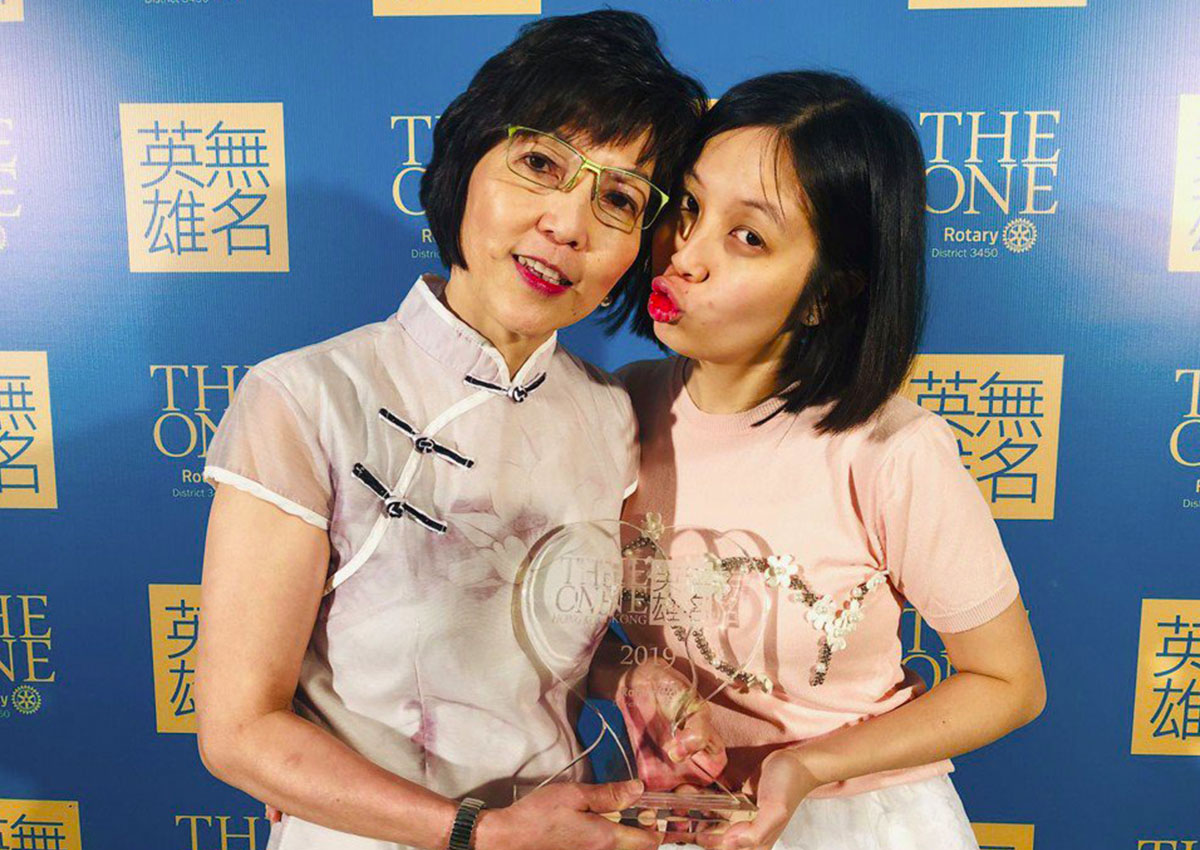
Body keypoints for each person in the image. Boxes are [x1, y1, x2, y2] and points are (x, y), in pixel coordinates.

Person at [195, 12, 707, 850]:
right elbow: (239, 731)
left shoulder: (609, 413)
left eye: (617, 199)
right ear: (466, 163)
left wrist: (633, 675)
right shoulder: (306, 397)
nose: (567, 225)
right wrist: (477, 832)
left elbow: (543, 636)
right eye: (539, 163)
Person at [598, 71, 1047, 850]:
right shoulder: (609, 412)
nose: (685, 256)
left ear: (825, 295)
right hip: (667, 820)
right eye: (690, 207)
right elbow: (550, 632)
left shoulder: (891, 453)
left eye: (749, 237)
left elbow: (1009, 683)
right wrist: (627, 680)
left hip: (852, 822)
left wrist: (806, 767)